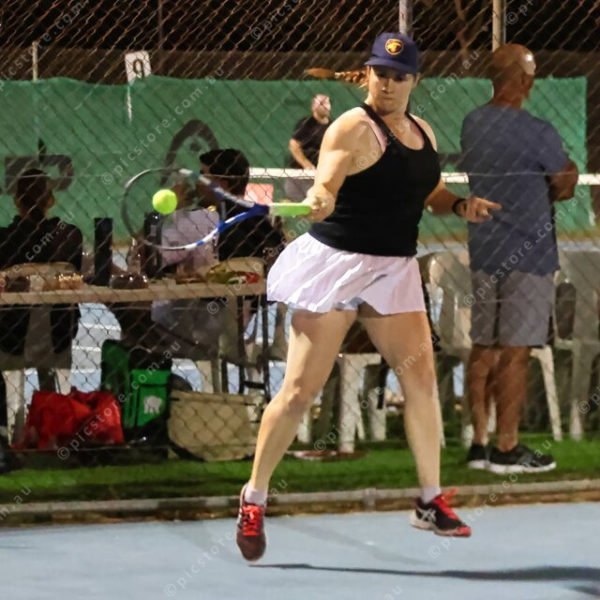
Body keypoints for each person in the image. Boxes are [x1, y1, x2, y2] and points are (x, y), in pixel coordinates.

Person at [236, 32, 500, 561]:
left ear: (414, 81)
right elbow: (327, 183)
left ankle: (429, 500)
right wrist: (319, 197)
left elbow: (427, 191)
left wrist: (459, 206)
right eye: (381, 73)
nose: (389, 84)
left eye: (400, 76)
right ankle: (254, 497)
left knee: (421, 380)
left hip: (393, 267)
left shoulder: (422, 131)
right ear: (368, 74)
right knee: (299, 391)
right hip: (338, 265)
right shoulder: (351, 127)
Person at [460, 44, 578, 474]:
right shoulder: (538, 131)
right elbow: (563, 181)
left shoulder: (473, 123)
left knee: (483, 347)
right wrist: (564, 176)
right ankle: (506, 447)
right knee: (515, 351)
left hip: (485, 248)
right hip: (529, 252)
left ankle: (478, 443)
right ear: (525, 81)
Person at [0, 169, 82, 442]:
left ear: (16, 201)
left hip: (10, 336)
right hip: (59, 334)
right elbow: (79, 275)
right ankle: (55, 426)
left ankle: (7, 431)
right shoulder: (68, 236)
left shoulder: (4, 240)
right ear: (51, 200)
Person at [284, 94, 331, 202]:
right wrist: (307, 165)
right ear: (313, 106)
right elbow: (294, 145)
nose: (326, 106)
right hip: (299, 175)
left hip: (321, 176)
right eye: (322, 103)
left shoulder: (333, 126)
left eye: (328, 103)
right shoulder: (306, 124)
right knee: (293, 203)